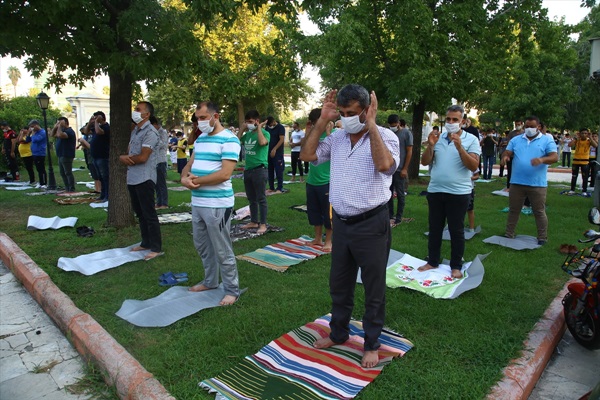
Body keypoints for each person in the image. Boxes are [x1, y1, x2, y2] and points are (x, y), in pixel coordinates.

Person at [300, 84, 400, 368]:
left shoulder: (387, 136)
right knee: (339, 284)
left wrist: (371, 126)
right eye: (342, 113)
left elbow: (385, 166)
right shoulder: (338, 138)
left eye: (353, 113)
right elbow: (307, 156)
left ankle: (371, 343)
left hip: (371, 224)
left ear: (367, 109)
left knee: (373, 286)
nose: (346, 118)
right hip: (341, 224)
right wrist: (322, 121)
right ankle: (339, 332)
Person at [181, 101, 241, 306]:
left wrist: (195, 181)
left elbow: (225, 174)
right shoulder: (200, 140)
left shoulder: (230, 140)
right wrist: (183, 179)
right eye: (197, 118)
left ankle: (232, 289)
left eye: (203, 118)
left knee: (222, 248)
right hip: (198, 202)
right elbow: (190, 164)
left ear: (216, 116)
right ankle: (210, 281)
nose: (200, 122)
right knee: (202, 245)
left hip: (218, 204)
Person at [418, 105, 481, 279]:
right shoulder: (437, 138)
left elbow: (474, 166)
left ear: (463, 121)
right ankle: (433, 260)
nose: (451, 123)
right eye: (448, 119)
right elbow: (424, 162)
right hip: (436, 190)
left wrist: (460, 148)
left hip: (459, 192)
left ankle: (456, 265)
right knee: (435, 227)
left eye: (455, 119)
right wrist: (430, 146)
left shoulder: (471, 140)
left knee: (456, 229)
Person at [501, 116, 558, 245]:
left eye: (532, 126)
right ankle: (509, 234)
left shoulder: (546, 140)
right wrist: (505, 157)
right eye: (526, 126)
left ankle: (542, 237)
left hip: (537, 184)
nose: (528, 129)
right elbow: (507, 152)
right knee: (513, 210)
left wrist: (542, 160)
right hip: (517, 182)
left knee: (538, 211)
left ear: (538, 127)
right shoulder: (516, 140)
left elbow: (554, 157)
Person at [119, 101, 163, 260]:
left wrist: (125, 158)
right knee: (140, 213)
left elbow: (143, 157)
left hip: (145, 177)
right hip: (133, 177)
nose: (135, 112)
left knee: (149, 213)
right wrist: (126, 157)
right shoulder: (136, 131)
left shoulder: (150, 132)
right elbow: (130, 152)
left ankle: (156, 247)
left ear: (147, 114)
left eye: (138, 110)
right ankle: (146, 242)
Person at [237, 110, 270, 234]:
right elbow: (235, 143)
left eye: (250, 122)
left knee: (261, 198)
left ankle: (263, 224)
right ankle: (254, 221)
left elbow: (262, 143)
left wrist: (260, 128)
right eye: (246, 122)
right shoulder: (248, 134)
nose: (248, 124)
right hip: (248, 170)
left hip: (260, 169)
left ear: (257, 121)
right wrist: (242, 129)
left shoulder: (265, 133)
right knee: (251, 198)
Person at [304, 109, 332, 252]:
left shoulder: (333, 134)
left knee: (328, 214)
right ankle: (317, 238)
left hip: (327, 181)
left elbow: (335, 152)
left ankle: (328, 241)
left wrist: (327, 133)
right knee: (314, 212)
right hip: (312, 180)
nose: (317, 126)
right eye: (315, 123)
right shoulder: (313, 135)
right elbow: (304, 151)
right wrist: (308, 131)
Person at [387, 115, 413, 227]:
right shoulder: (388, 133)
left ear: (398, 123)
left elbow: (409, 151)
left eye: (394, 125)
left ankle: (398, 217)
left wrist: (405, 168)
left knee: (400, 194)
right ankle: (389, 215)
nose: (393, 127)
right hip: (389, 169)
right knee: (388, 194)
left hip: (400, 169)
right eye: (391, 126)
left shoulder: (406, 133)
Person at [83, 111, 110, 202]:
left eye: (96, 117)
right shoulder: (95, 126)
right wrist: (90, 123)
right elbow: (85, 132)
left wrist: (95, 122)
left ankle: (107, 195)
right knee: (100, 177)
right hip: (95, 156)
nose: (94, 119)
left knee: (105, 176)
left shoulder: (106, 127)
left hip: (103, 156)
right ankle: (102, 194)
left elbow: (99, 132)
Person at [51, 117, 76, 192]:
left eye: (60, 122)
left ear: (65, 123)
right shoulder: (62, 130)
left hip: (67, 154)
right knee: (62, 173)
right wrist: (55, 127)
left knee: (68, 172)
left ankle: (71, 188)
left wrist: (59, 127)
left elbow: (60, 135)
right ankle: (67, 187)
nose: (58, 124)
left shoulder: (69, 131)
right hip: (60, 154)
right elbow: (52, 134)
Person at [569, 129, 597, 194]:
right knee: (574, 176)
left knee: (585, 177)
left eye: (585, 133)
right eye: (582, 133)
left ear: (587, 134)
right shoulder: (577, 140)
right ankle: (572, 189)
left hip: (585, 162)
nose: (584, 135)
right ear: (580, 134)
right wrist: (575, 138)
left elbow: (595, 145)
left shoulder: (588, 141)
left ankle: (584, 190)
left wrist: (590, 137)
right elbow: (570, 145)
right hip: (576, 161)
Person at [150, 116, 169, 209]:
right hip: (154, 160)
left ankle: (164, 203)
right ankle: (159, 202)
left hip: (161, 160)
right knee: (156, 184)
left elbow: (161, 144)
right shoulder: (154, 133)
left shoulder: (163, 132)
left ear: (155, 124)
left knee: (161, 183)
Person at [502, 120, 524, 191]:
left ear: (522, 124)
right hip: (512, 156)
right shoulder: (511, 134)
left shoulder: (524, 133)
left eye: (518, 124)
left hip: (521, 156)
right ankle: (509, 186)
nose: (517, 126)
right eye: (516, 124)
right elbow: (509, 144)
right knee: (510, 171)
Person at [265, 116, 286, 193]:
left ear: (274, 121)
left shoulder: (280, 128)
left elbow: (281, 139)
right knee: (270, 170)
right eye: (269, 125)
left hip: (278, 152)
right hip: (268, 152)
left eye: (270, 124)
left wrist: (274, 149)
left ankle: (279, 188)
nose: (270, 126)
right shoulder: (267, 128)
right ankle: (271, 187)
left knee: (278, 170)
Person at [28, 120, 47, 188]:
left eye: (32, 127)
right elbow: (28, 139)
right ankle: (41, 181)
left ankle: (44, 183)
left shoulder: (42, 132)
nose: (32, 128)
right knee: (38, 169)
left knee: (41, 168)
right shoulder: (35, 132)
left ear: (36, 125)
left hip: (40, 153)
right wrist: (29, 133)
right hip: (35, 153)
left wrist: (32, 132)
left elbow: (35, 140)